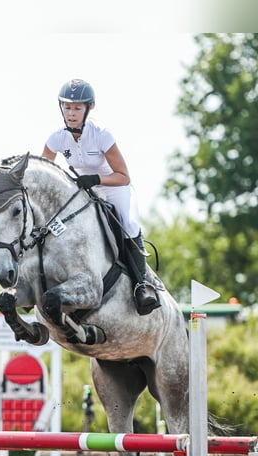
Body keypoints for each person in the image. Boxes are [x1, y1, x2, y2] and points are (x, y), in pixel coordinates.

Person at [41, 78, 161, 316]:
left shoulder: (102, 134)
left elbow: (123, 176)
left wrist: (96, 179)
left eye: (77, 108)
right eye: (67, 107)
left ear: (88, 108)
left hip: (112, 186)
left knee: (129, 224)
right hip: (81, 188)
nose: (71, 113)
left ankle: (142, 285)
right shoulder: (56, 138)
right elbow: (44, 174)